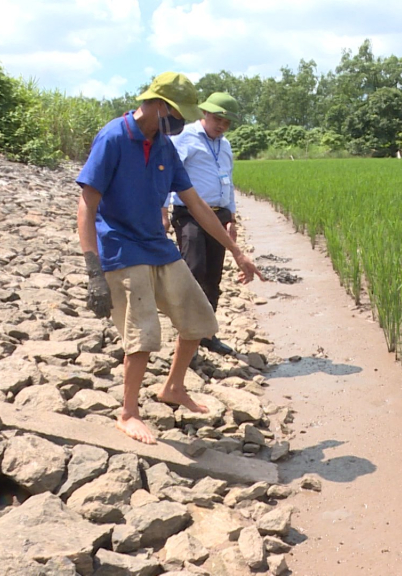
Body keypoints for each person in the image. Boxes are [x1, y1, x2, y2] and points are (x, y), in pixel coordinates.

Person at [76, 72, 261, 444]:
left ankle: (173, 387)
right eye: (178, 112)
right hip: (121, 247)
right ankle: (128, 412)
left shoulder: (163, 146)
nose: (180, 122)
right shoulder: (114, 137)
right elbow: (87, 203)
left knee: (199, 317)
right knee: (143, 333)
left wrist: (237, 251)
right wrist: (93, 270)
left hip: (157, 245)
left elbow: (195, 203)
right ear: (160, 106)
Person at [164, 92, 246, 356]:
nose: (221, 125)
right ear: (205, 114)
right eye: (217, 118)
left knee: (213, 276)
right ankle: (187, 338)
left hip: (219, 215)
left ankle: (207, 335)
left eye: (227, 122)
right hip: (190, 213)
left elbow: (228, 182)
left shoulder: (226, 145)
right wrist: (162, 210)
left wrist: (231, 218)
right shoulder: (184, 137)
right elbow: (168, 174)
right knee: (194, 271)